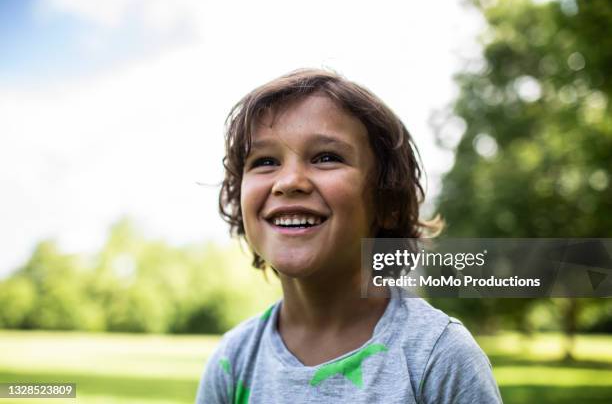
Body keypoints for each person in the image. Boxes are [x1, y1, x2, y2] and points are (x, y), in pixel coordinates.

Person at [195, 69, 502, 403]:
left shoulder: (438, 357)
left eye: (327, 158)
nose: (289, 181)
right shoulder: (232, 363)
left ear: (387, 204)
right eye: (266, 161)